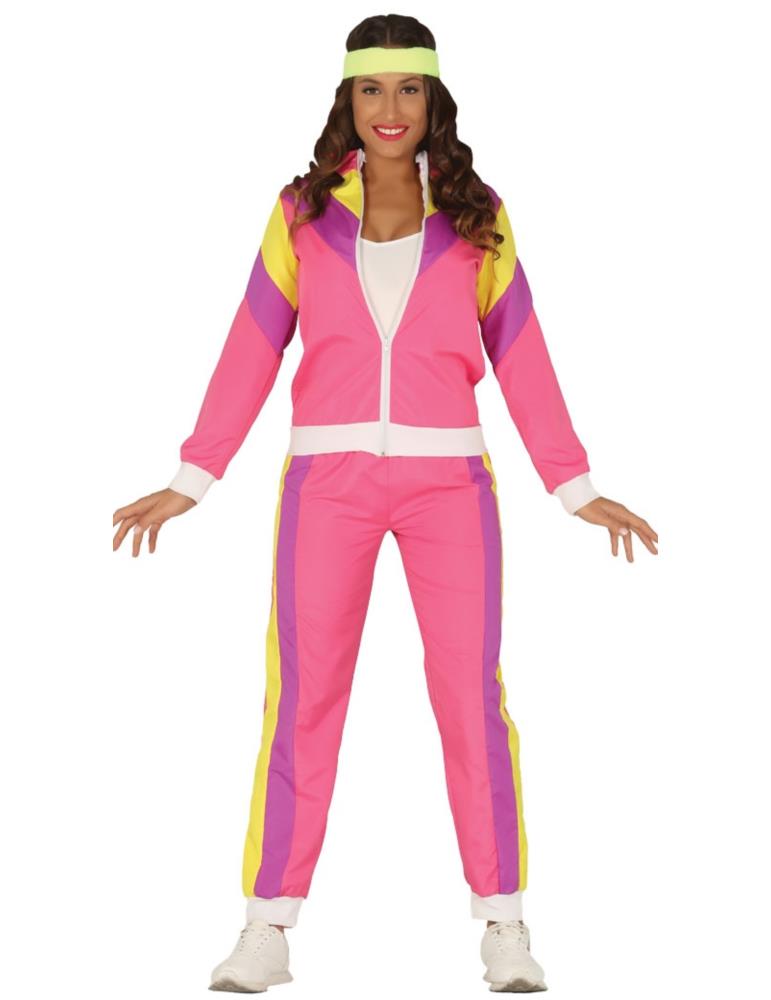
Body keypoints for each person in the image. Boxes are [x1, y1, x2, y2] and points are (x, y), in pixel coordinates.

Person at [112, 15, 658, 994]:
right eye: (372, 89)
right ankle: (267, 925)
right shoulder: (301, 211)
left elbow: (521, 350)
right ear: (348, 98)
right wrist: (194, 475)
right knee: (302, 699)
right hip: (326, 484)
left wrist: (573, 484)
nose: (390, 108)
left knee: (470, 699)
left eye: (409, 88)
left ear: (433, 98)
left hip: (452, 484)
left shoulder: (478, 213)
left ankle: (503, 921)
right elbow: (253, 340)